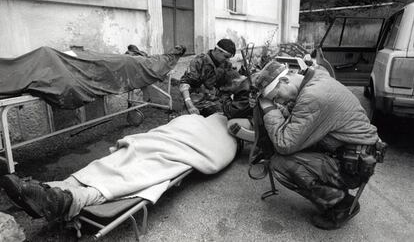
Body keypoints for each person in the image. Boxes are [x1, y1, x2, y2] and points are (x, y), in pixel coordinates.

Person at [0, 113, 237, 223]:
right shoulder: (193, 117)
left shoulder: (227, 134)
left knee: (135, 174)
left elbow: (218, 153)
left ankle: (69, 198)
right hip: (166, 136)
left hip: (182, 148)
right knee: (112, 162)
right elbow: (172, 127)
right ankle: (44, 191)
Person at [248, 61, 384, 230]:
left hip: (352, 167)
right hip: (352, 153)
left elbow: (285, 144)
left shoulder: (313, 96)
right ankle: (336, 195)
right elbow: (297, 123)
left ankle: (341, 204)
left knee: (280, 163)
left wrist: (269, 109)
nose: (279, 101)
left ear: (284, 81)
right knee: (288, 152)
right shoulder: (315, 80)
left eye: (277, 97)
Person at [179, 38, 236, 117]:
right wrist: (189, 104)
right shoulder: (199, 61)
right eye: (226, 57)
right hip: (195, 101)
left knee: (224, 121)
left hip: (215, 102)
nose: (228, 60)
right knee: (187, 123)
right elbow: (185, 83)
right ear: (217, 50)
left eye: (229, 58)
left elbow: (229, 85)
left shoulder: (226, 65)